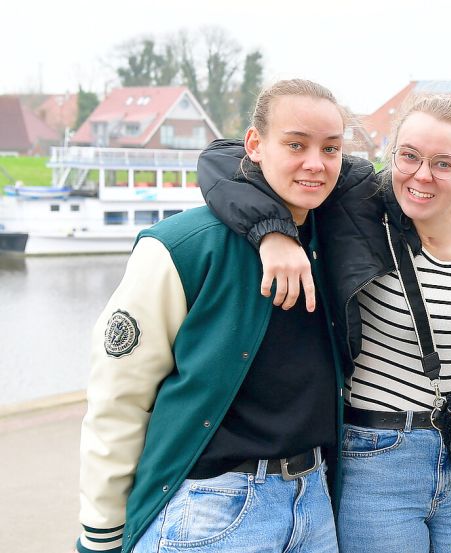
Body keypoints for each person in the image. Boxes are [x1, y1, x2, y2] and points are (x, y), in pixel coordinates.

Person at [197, 94, 451, 553]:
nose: (421, 175)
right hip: (377, 458)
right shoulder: (358, 202)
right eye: (409, 156)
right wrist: (272, 232)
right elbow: (222, 158)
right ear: (392, 152)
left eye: (443, 163)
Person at [75, 79, 371, 553]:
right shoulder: (180, 248)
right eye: (295, 144)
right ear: (254, 145)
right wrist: (100, 534)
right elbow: (118, 397)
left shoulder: (336, 237)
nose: (315, 163)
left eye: (330, 148)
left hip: (313, 502)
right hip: (212, 507)